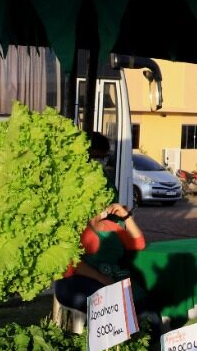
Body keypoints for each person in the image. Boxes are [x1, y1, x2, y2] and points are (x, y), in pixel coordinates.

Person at [53, 132, 147, 312]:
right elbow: (71, 262)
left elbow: (137, 242)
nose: (101, 161)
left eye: (104, 157)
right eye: (97, 156)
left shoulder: (106, 185)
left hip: (105, 250)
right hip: (81, 279)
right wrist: (104, 280)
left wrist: (124, 216)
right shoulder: (72, 207)